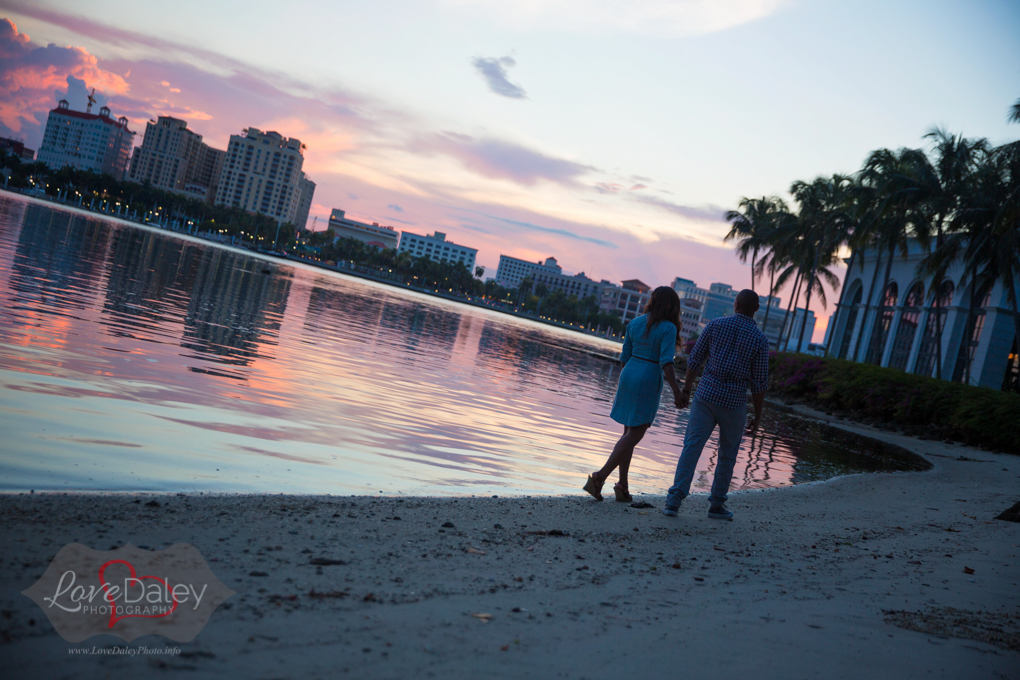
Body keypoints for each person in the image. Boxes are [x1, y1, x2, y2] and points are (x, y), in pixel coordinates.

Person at [663, 288, 769, 520]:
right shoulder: (760, 340)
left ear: (736, 303)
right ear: (756, 310)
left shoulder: (716, 325)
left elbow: (695, 359)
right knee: (727, 455)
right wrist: (757, 416)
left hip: (707, 396)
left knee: (692, 447)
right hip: (734, 402)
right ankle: (716, 505)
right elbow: (759, 384)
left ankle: (674, 500)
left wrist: (687, 389)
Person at [584, 286, 683, 502]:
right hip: (647, 376)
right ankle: (599, 477)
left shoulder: (635, 322)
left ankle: (623, 486)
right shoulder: (668, 328)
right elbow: (666, 361)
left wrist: (626, 379)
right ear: (673, 307)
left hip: (628, 373)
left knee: (628, 434)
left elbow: (624, 355)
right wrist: (676, 391)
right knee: (635, 434)